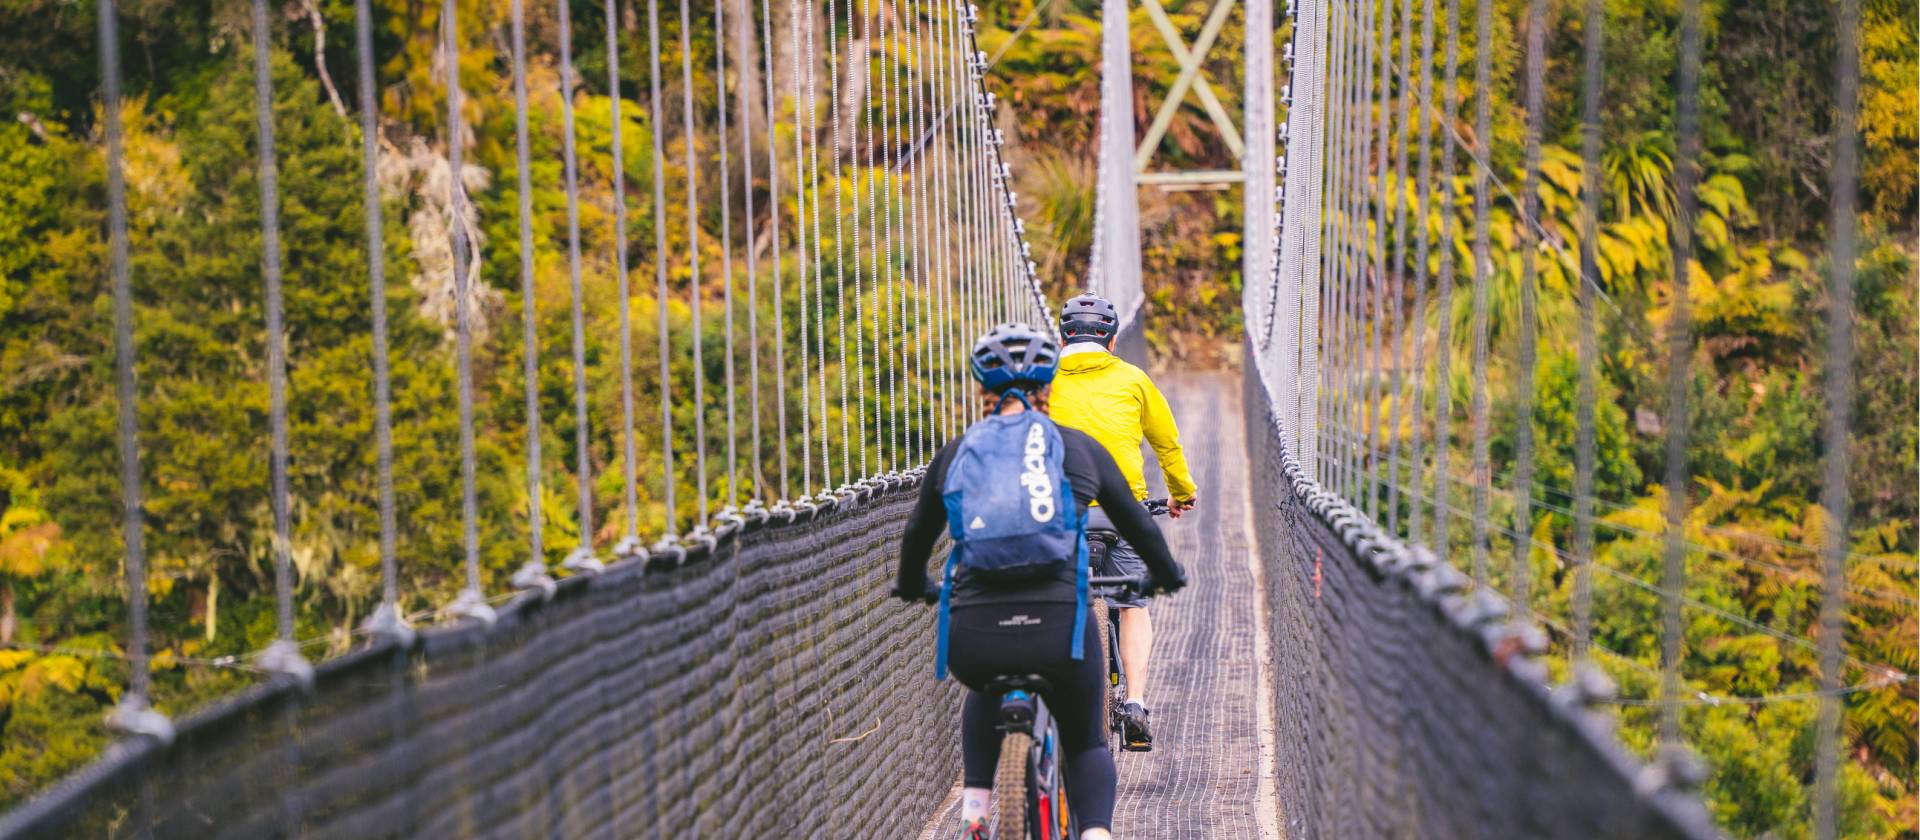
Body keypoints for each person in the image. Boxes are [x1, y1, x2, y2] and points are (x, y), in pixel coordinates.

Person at [895, 323, 1188, 840]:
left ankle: (977, 816)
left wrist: (916, 587)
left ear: (981, 390)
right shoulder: (1074, 449)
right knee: (1086, 743)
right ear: (1048, 387)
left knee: (985, 690)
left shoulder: (957, 452)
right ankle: (1096, 833)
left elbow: (917, 539)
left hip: (975, 635)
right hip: (1060, 629)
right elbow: (1138, 526)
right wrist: (1166, 574)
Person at [1046, 293, 1198, 752]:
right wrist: (1181, 493)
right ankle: (1135, 702)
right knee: (1132, 602)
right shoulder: (1133, 379)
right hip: (1122, 512)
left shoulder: (1043, 381)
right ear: (1112, 341)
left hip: (1060, 513)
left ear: (1062, 337)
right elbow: (1166, 443)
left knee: (1050, 596)